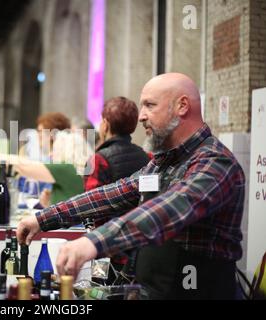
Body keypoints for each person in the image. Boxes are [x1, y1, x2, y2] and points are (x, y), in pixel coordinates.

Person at [17, 73, 245, 299]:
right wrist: (43, 218)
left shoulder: (215, 163)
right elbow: (111, 195)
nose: (141, 117)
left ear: (182, 106)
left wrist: (93, 242)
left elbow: (164, 212)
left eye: (150, 105)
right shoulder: (162, 163)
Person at [84, 97, 150, 191]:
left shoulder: (96, 160)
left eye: (101, 121)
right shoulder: (148, 157)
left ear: (106, 125)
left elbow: (88, 200)